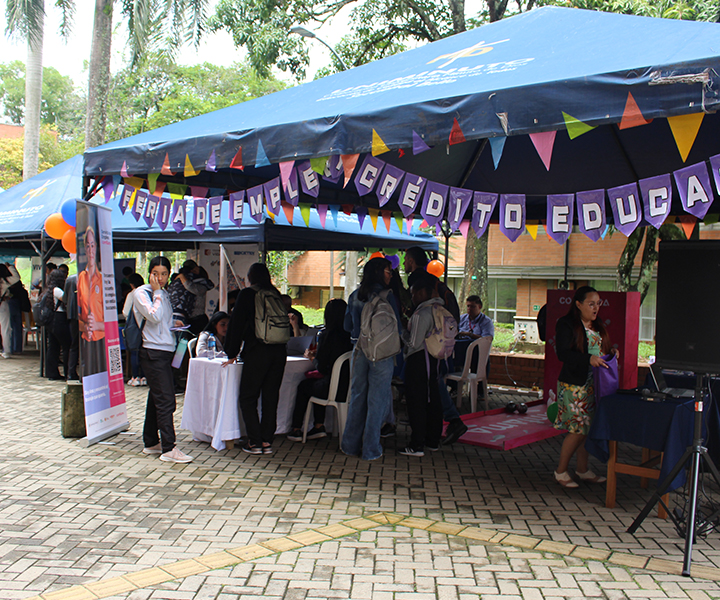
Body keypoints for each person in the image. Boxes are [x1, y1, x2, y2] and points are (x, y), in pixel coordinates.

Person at [553, 285, 616, 488]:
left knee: (587, 429)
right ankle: (561, 471)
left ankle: (582, 469)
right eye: (591, 304)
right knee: (577, 429)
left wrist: (612, 353)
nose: (596, 308)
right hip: (574, 386)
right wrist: (589, 359)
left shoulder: (597, 326)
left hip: (594, 385)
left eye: (598, 304)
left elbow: (601, 349)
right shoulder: (566, 324)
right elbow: (563, 354)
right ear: (578, 304)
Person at [225, 263, 289, 455]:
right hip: (279, 351)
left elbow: (236, 325)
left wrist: (231, 352)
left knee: (248, 397)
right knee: (271, 396)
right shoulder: (276, 293)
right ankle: (267, 440)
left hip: (257, 350)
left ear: (250, 277)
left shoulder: (247, 295)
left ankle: (254, 441)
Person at [134, 256, 193, 464]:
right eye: (156, 273)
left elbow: (163, 321)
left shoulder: (164, 294)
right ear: (149, 273)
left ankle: (151, 442)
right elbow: (154, 316)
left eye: (164, 274)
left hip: (167, 350)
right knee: (167, 399)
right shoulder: (142, 293)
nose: (160, 278)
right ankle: (169, 447)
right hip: (152, 352)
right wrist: (158, 292)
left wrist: (175, 324)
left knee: (157, 397)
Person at [341, 257, 401, 461]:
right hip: (381, 353)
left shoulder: (355, 295)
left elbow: (347, 327)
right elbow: (397, 327)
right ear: (378, 273)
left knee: (357, 397)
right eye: (387, 271)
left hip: (358, 350)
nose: (390, 275)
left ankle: (349, 445)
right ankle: (370, 449)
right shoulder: (387, 296)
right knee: (377, 400)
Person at [287, 299, 352, 442]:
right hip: (349, 388)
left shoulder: (326, 335)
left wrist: (312, 358)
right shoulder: (351, 336)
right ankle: (318, 426)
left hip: (331, 388)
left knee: (305, 386)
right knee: (316, 383)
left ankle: (297, 428)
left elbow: (321, 367)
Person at [400, 275, 445, 457]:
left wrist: (403, 332)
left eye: (413, 293)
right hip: (435, 358)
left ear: (421, 292)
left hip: (419, 360)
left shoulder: (422, 313)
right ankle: (432, 440)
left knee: (416, 402)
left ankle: (417, 444)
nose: (412, 298)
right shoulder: (440, 309)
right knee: (433, 399)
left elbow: (413, 343)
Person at [78, 226, 106, 375]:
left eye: (92, 245)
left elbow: (111, 320)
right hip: (86, 340)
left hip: (101, 340)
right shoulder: (80, 278)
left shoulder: (103, 280)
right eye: (87, 246)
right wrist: (83, 326)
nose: (90, 250)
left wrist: (97, 326)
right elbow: (76, 311)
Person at [404, 246, 460, 322]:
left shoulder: (414, 278)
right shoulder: (431, 278)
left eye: (405, 260)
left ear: (411, 261)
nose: (404, 263)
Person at [45, 269, 70, 380]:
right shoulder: (57, 290)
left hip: (51, 321)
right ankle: (68, 372)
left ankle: (51, 373)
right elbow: (67, 299)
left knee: (53, 347)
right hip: (59, 319)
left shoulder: (48, 290)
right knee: (66, 346)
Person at [122, 273, 147, 386]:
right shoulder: (147, 293)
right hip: (147, 327)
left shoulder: (132, 294)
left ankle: (136, 377)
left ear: (131, 285)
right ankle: (144, 377)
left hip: (134, 327)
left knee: (134, 352)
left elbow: (126, 312)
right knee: (144, 352)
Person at [0, 263, 21, 358]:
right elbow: (16, 277)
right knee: (5, 328)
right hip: (2, 305)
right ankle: (7, 351)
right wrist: (10, 267)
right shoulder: (4, 281)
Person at [63, 274, 80, 380]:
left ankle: (71, 372)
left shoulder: (70, 279)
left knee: (74, 345)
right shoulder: (92, 277)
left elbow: (65, 299)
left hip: (72, 315)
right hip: (86, 315)